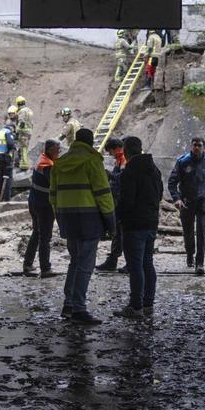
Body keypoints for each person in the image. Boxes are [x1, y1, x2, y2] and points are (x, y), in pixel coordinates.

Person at [49, 128, 115, 325]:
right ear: (91, 142)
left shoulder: (59, 164)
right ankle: (79, 308)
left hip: (67, 218)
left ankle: (68, 305)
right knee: (85, 265)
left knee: (75, 261)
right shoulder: (93, 161)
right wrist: (111, 222)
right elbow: (103, 194)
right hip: (89, 220)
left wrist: (60, 219)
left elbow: (52, 196)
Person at [114, 136, 163, 318]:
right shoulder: (154, 169)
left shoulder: (130, 171)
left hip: (134, 224)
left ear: (126, 151)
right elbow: (160, 194)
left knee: (135, 267)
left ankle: (136, 306)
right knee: (147, 264)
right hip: (151, 222)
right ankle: (148, 304)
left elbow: (127, 200)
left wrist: (118, 217)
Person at [168, 137, 205, 274]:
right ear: (191, 146)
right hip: (187, 201)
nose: (197, 148)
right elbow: (172, 182)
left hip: (203, 202)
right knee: (188, 232)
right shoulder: (183, 162)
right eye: (194, 145)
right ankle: (190, 254)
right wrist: (177, 199)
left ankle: (200, 263)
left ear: (204, 147)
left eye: (199, 145)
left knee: (202, 233)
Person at [22, 139, 60, 278]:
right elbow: (54, 182)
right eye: (57, 150)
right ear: (50, 150)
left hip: (35, 201)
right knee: (45, 236)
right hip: (44, 205)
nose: (59, 152)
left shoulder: (41, 159)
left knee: (37, 233)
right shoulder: (47, 164)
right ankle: (45, 268)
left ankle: (27, 265)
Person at [95, 137, 127, 272]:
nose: (110, 155)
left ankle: (126, 262)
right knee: (118, 232)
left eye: (110, 152)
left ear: (115, 149)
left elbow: (124, 178)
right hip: (117, 200)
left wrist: (109, 175)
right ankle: (112, 260)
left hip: (122, 201)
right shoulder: (120, 160)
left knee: (122, 232)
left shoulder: (124, 159)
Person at [0, 118, 17, 202]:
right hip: (5, 156)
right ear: (11, 127)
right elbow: (10, 144)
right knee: (8, 177)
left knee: (0, 176)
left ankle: (1, 195)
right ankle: (7, 198)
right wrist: (15, 147)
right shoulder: (8, 132)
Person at [15, 96, 34, 171]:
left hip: (23, 133)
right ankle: (24, 164)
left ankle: (24, 165)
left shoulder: (22, 111)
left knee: (23, 149)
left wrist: (18, 130)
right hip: (28, 132)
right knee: (25, 148)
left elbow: (22, 122)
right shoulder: (29, 110)